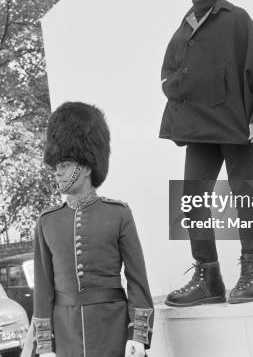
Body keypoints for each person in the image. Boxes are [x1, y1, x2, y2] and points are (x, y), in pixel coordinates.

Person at [159, 0, 253, 306]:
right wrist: (176, 88)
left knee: (245, 196)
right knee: (191, 199)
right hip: (198, 127)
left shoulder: (237, 19)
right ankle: (208, 276)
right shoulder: (186, 22)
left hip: (236, 124)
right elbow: (171, 70)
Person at [31, 102, 154, 357]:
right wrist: (45, 346)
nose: (57, 172)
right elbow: (43, 291)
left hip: (113, 330)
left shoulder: (118, 214)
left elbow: (137, 281)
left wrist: (138, 335)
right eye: (56, 165)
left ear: (86, 167)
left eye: (64, 164)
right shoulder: (47, 222)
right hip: (66, 338)